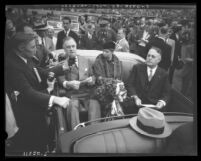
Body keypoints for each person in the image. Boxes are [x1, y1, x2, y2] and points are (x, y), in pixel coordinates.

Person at [5, 32, 70, 153]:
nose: (36, 50)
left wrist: (59, 69)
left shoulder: (22, 56)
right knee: (33, 144)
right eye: (33, 47)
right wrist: (55, 99)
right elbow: (27, 93)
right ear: (21, 48)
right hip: (25, 114)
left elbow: (35, 69)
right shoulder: (11, 65)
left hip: (34, 106)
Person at [57, 36, 101, 130]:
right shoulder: (61, 64)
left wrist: (92, 80)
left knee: (95, 103)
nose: (71, 49)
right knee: (72, 106)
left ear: (76, 47)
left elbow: (93, 76)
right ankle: (75, 134)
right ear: (64, 49)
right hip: (72, 95)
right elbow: (62, 81)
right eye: (68, 47)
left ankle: (94, 132)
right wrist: (68, 84)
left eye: (73, 46)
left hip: (87, 93)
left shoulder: (85, 60)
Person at [125, 46, 171, 114]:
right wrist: (135, 97)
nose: (149, 58)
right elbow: (129, 84)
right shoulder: (137, 68)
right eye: (148, 55)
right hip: (136, 106)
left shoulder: (164, 74)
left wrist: (161, 102)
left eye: (153, 57)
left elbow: (167, 93)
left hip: (154, 108)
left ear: (159, 60)